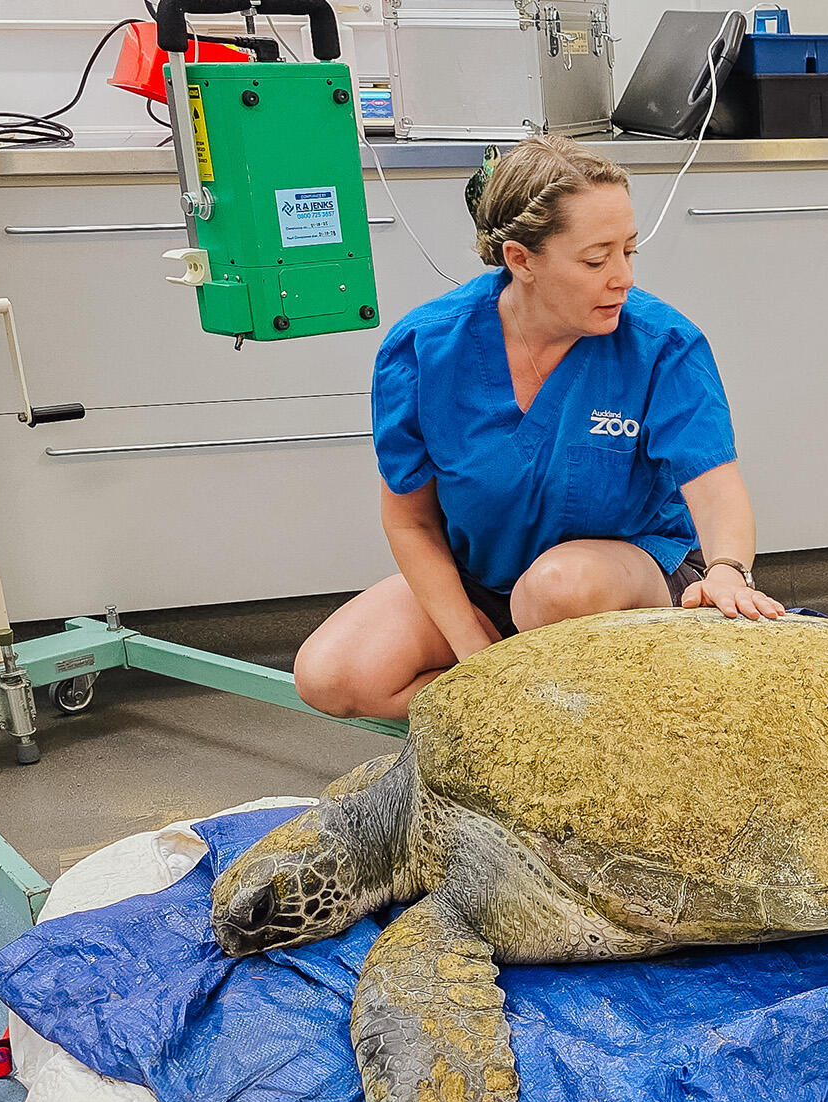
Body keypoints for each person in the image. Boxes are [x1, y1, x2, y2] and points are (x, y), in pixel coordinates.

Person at [296, 138, 784, 720]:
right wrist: (473, 651)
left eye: (630, 251)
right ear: (521, 260)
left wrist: (729, 570)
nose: (624, 278)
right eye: (596, 260)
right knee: (330, 675)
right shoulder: (425, 349)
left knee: (559, 588)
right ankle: (527, 707)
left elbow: (716, 487)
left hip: (623, 578)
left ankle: (574, 704)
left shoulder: (661, 344)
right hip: (485, 581)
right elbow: (411, 521)